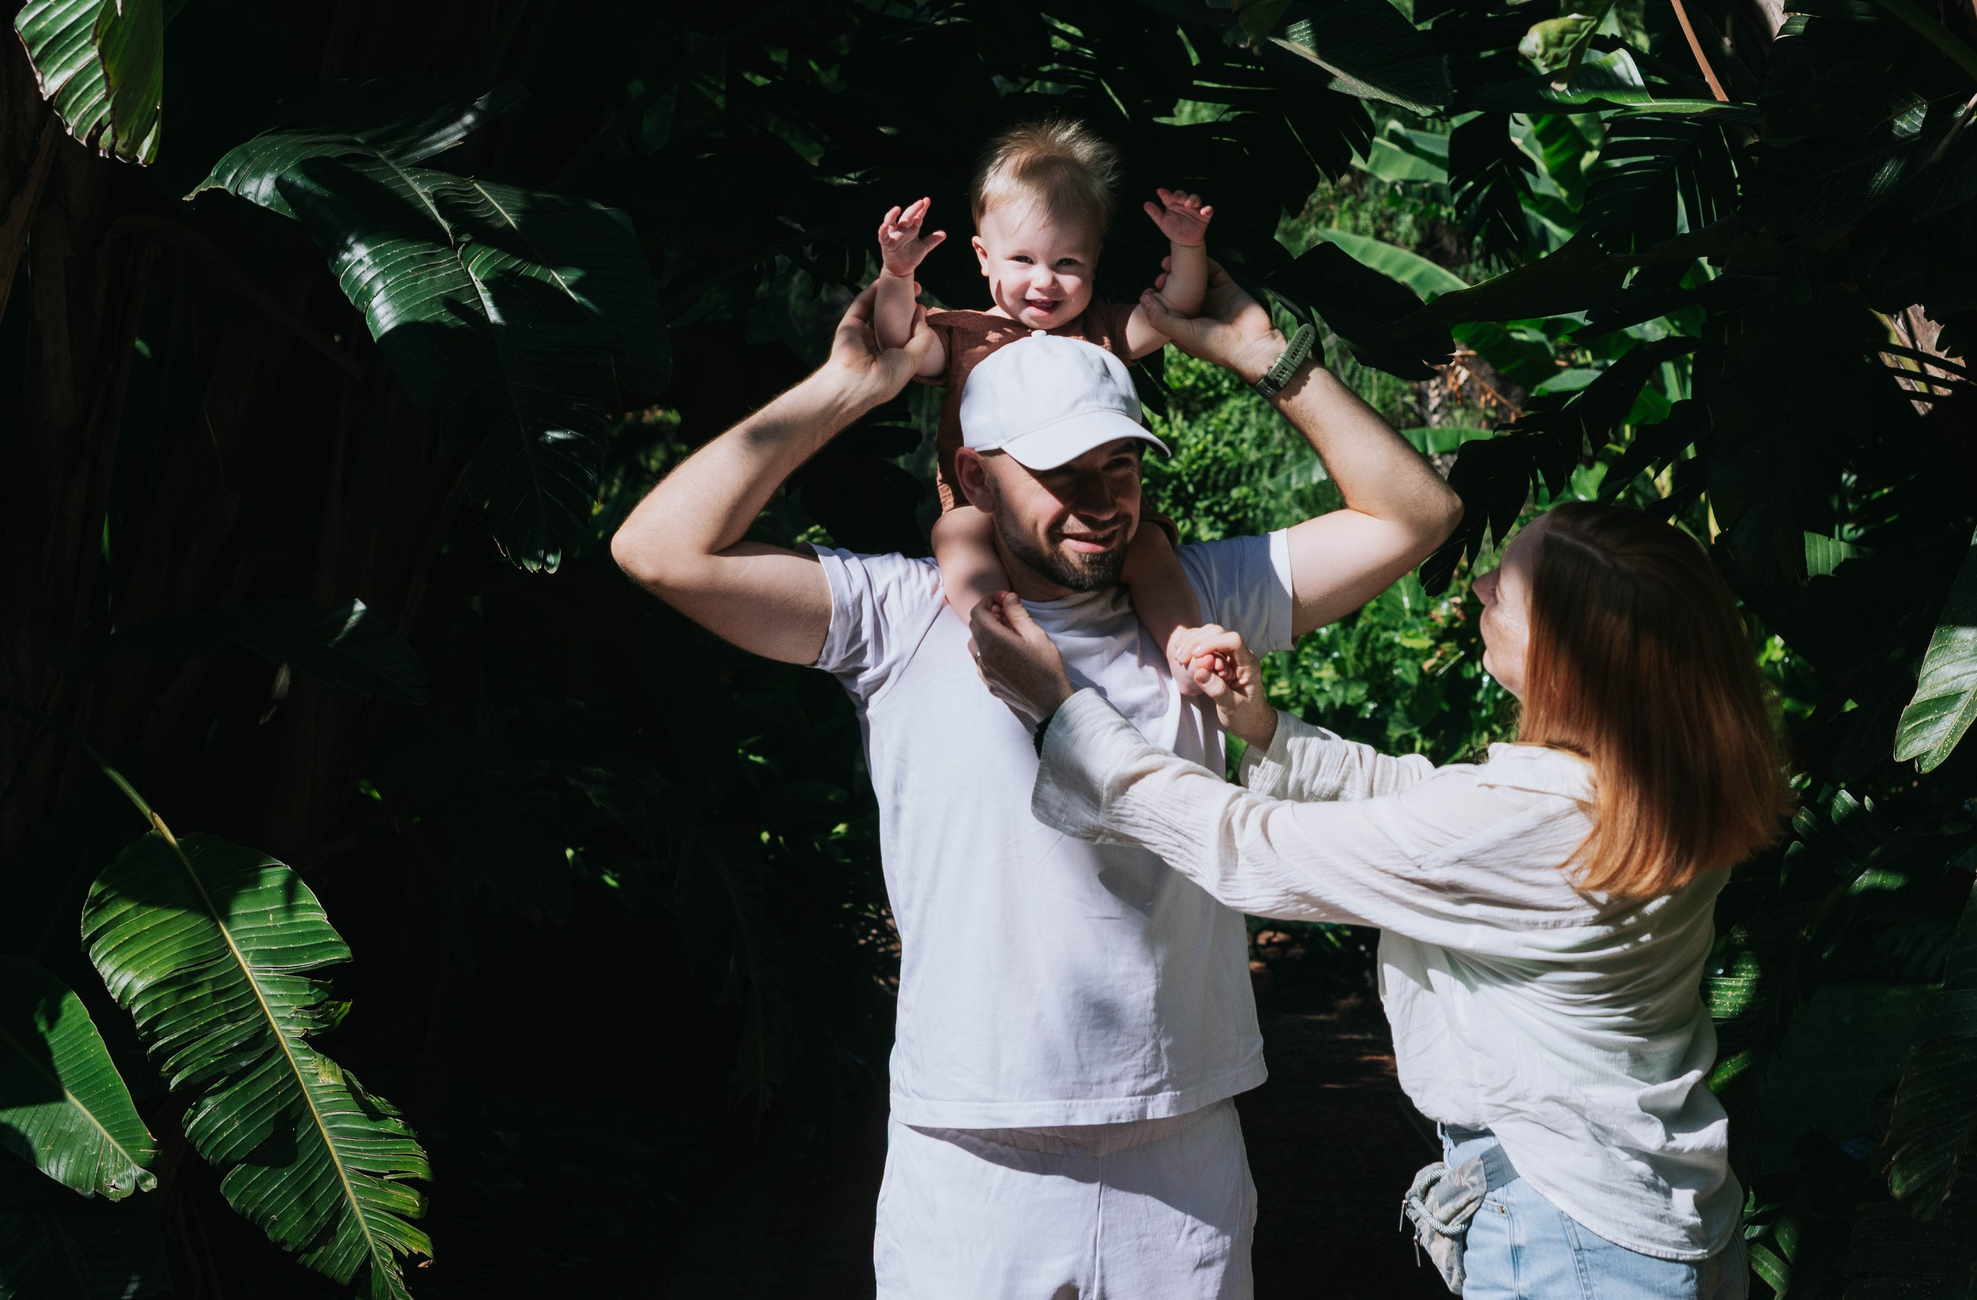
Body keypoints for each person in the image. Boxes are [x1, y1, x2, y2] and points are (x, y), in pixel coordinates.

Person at [607, 253, 1460, 1299]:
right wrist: (851, 384)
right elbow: (657, 548)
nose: (1098, 502)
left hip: (1179, 1134)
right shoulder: (901, 613)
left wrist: (1261, 353)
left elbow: (1412, 514)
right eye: (1059, 473)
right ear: (972, 476)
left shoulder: (1193, 605)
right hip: (973, 1148)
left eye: (1121, 467)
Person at [967, 502, 1792, 1300]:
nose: (1476, 591)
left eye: (1502, 588)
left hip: (1571, 1239)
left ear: (1563, 659)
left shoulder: (1540, 826)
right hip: (1654, 1211)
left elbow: (1249, 845)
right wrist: (1263, 727)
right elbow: (1427, 804)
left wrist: (1062, 713)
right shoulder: (1651, 788)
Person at [869, 118, 1214, 687]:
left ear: (1095, 259)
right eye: (1023, 260)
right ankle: (992, 622)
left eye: (1067, 263)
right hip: (982, 505)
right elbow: (898, 342)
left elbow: (1174, 310)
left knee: (1148, 543)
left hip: (1095, 509)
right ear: (983, 257)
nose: (1045, 282)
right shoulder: (964, 335)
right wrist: (896, 274)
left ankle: (1184, 646)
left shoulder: (1102, 328)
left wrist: (1186, 246)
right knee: (956, 535)